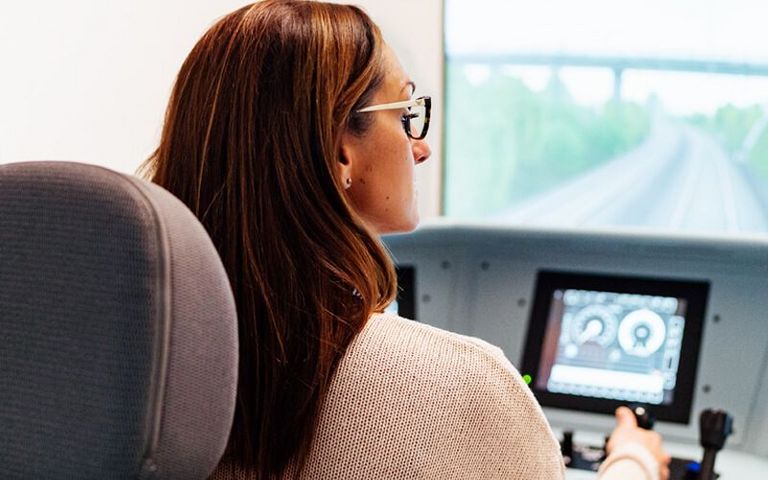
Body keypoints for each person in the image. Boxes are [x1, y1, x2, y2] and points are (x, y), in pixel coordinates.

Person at [142, 1, 671, 479]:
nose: (421, 149)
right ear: (341, 152)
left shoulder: (142, 366)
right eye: (405, 115)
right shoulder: (463, 388)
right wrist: (633, 460)